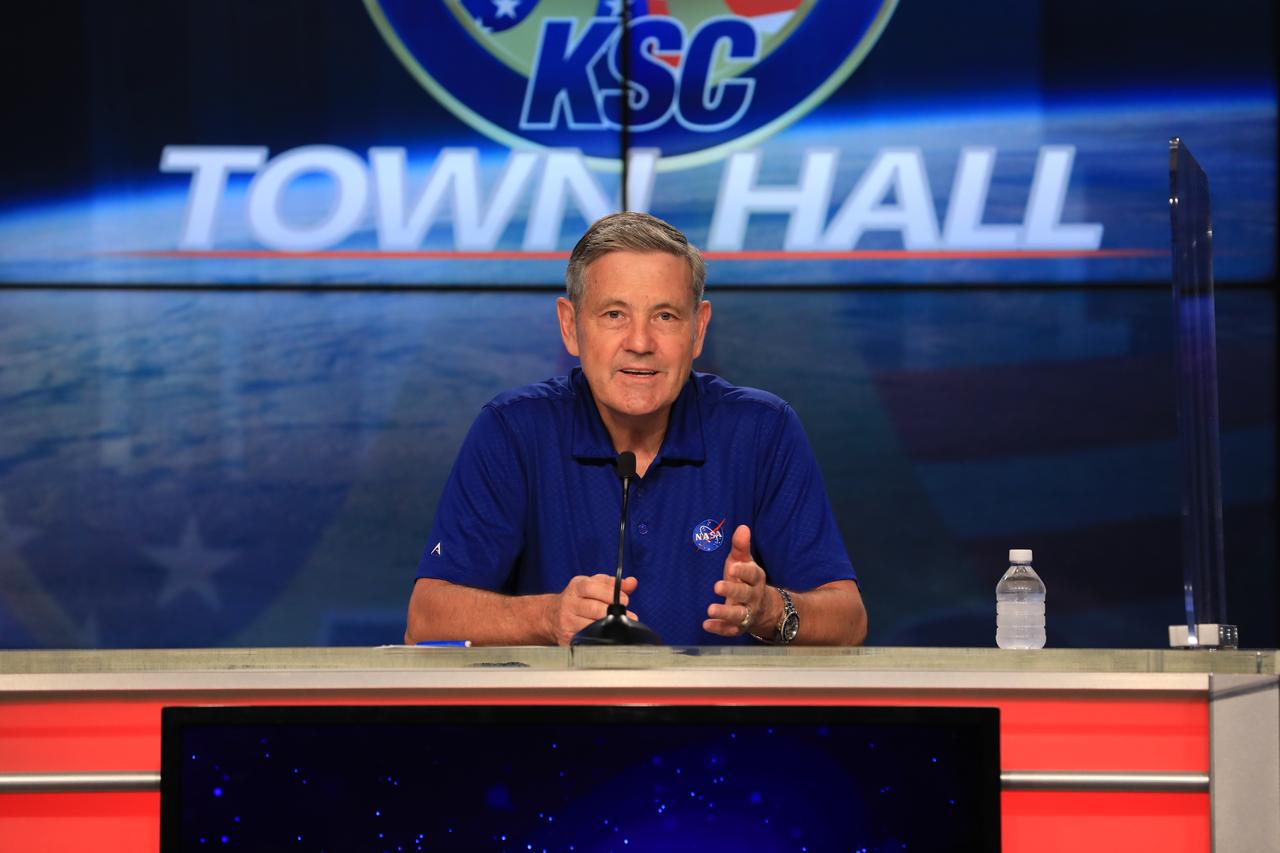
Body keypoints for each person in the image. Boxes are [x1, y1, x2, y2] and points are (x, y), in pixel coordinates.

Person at [405, 212, 866, 646]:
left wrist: (769, 610)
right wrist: (546, 617)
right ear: (570, 326)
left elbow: (849, 622)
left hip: (717, 707)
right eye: (614, 315)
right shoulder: (512, 430)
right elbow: (425, 621)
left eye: (665, 316)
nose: (640, 343)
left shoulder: (762, 430)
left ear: (698, 329)